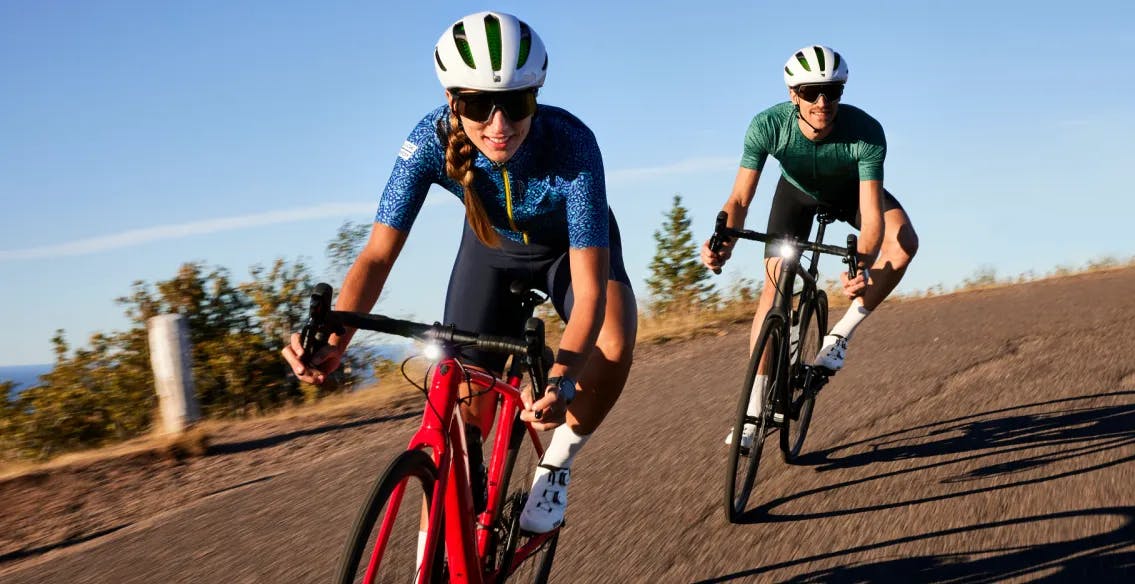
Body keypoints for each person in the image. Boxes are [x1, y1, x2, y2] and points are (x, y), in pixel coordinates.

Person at [281, 11, 637, 534]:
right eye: (477, 104)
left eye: (516, 103)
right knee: (467, 411)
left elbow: (588, 296)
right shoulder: (428, 140)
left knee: (613, 343)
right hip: (491, 249)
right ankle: (439, 537)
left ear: (535, 95)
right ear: (453, 101)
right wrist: (338, 334)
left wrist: (562, 379)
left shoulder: (573, 144)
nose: (500, 125)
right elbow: (377, 255)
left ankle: (557, 463)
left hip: (572, 248)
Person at [701, 45, 919, 448]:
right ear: (792, 94)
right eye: (810, 91)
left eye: (832, 92)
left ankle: (838, 338)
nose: (822, 102)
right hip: (796, 195)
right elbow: (739, 201)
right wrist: (722, 241)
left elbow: (871, 216)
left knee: (904, 242)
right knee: (774, 288)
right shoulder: (767, 126)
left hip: (849, 194)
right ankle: (751, 412)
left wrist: (862, 266)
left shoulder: (866, 133)